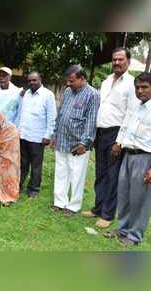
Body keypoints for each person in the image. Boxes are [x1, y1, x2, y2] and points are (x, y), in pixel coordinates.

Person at [104, 72, 151, 246]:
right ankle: (122, 229)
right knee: (125, 195)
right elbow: (126, 126)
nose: (140, 91)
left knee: (140, 199)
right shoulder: (136, 106)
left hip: (145, 159)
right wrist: (118, 143)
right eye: (137, 88)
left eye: (145, 87)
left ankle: (134, 236)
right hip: (128, 155)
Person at [82, 47, 137, 229]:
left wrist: (120, 141)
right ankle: (98, 208)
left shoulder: (131, 83)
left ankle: (107, 214)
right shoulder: (106, 81)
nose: (117, 63)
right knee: (100, 173)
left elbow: (130, 114)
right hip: (101, 132)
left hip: (116, 134)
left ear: (128, 61)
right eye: (114, 59)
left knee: (113, 176)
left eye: (121, 59)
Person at [51, 65, 100, 216]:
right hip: (62, 139)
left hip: (78, 144)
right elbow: (60, 114)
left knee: (77, 175)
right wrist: (55, 135)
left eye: (72, 81)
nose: (68, 84)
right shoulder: (67, 92)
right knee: (61, 172)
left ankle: (73, 206)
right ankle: (59, 202)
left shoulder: (93, 94)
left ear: (82, 78)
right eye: (67, 81)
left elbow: (91, 121)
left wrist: (84, 143)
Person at [16, 72, 56, 198]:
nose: (31, 83)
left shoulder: (48, 95)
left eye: (34, 80)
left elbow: (51, 116)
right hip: (23, 135)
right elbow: (20, 113)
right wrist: (17, 131)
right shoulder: (25, 94)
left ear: (40, 80)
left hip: (38, 137)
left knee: (36, 165)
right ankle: (18, 185)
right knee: (22, 163)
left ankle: (33, 190)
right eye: (29, 81)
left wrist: (48, 134)